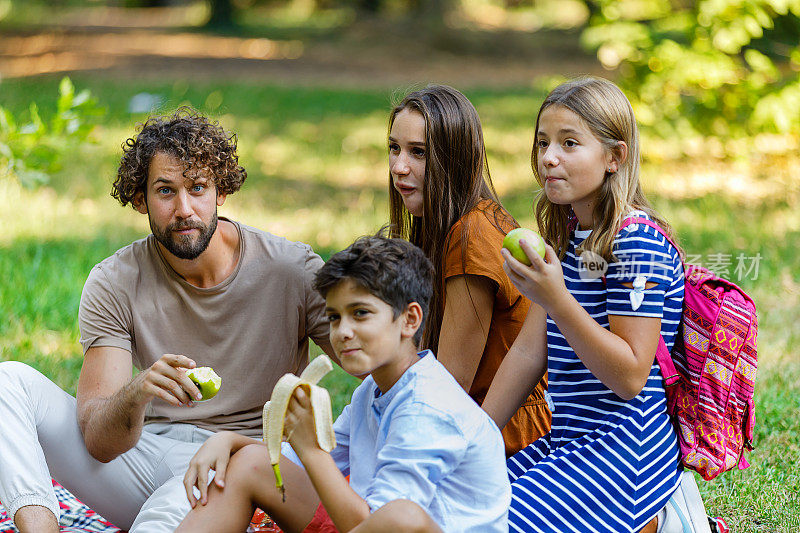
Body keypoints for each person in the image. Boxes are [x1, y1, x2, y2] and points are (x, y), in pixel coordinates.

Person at [0, 108, 332, 533]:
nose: (184, 209)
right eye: (165, 191)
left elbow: (371, 356)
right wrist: (136, 393)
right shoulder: (115, 280)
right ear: (140, 199)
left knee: (160, 523)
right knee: (8, 380)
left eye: (198, 188)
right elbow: (99, 443)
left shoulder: (293, 271)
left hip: (239, 461)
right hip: (147, 455)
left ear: (221, 193)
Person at [176, 234, 511, 533]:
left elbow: (381, 525)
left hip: (389, 525)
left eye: (360, 313)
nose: (342, 332)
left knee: (401, 517)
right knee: (251, 464)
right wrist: (229, 440)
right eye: (334, 317)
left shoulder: (428, 408)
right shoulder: (374, 388)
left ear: (409, 320)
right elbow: (304, 461)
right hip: (363, 521)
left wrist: (311, 449)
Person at [481, 77, 685, 532]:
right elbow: (530, 352)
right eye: (543, 142)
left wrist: (557, 297)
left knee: (492, 524)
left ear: (615, 157)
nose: (549, 157)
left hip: (624, 459)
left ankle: (660, 519)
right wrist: (476, 436)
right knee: (458, 503)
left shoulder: (636, 243)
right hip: (570, 443)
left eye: (569, 143)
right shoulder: (569, 234)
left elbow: (631, 376)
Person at [387, 84, 550, 456]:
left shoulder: (472, 234)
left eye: (419, 152)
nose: (399, 166)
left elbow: (449, 387)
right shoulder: (453, 224)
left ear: (454, 159)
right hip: (466, 428)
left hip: (500, 442)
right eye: (394, 148)